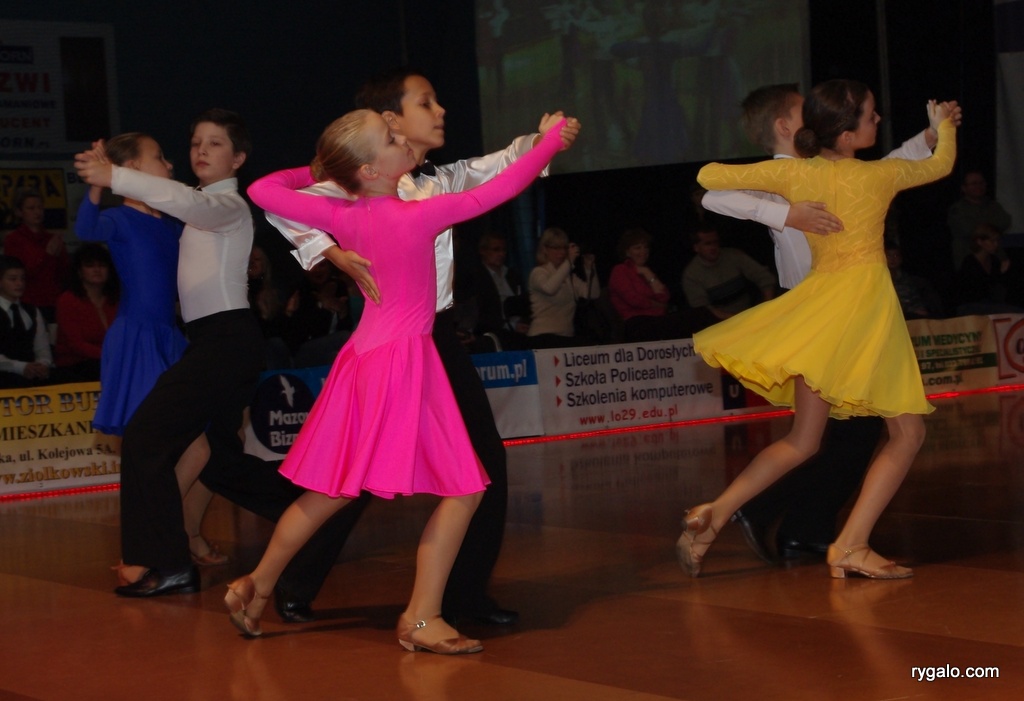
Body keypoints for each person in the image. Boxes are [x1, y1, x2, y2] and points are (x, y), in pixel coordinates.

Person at [231, 110, 568, 652]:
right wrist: (549, 142)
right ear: (370, 169)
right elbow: (505, 187)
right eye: (389, 139)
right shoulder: (416, 217)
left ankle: (256, 584)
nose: (401, 139)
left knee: (330, 491)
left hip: (361, 360)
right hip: (404, 361)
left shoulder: (341, 214)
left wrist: (321, 169)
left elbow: (262, 188)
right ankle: (421, 617)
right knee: (465, 489)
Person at [679, 81, 957, 581]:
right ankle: (848, 544)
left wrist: (930, 135)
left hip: (816, 317)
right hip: (855, 318)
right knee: (902, 432)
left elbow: (708, 175)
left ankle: (715, 515)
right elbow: (932, 168)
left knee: (806, 441)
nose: (876, 121)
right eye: (870, 115)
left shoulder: (800, 173)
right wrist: (945, 130)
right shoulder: (841, 176)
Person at [74, 109, 270, 596]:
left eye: (212, 143)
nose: (175, 162)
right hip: (140, 338)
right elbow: (87, 229)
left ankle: (171, 541)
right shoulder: (123, 219)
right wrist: (99, 184)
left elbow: (197, 222)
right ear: (132, 170)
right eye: (162, 156)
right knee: (158, 443)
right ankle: (159, 548)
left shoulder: (180, 218)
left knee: (199, 447)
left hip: (178, 337)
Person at [608, 227, 694, 341]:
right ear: (627, 252)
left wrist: (648, 274)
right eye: (637, 248)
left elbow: (664, 297)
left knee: (693, 318)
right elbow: (634, 300)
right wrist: (657, 305)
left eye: (645, 247)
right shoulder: (620, 270)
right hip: (636, 323)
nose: (643, 251)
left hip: (658, 320)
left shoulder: (646, 271)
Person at [52, 243, 119, 383]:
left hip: (110, 361)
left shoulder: (116, 300)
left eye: (102, 265)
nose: (97, 270)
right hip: (75, 364)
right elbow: (75, 344)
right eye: (90, 265)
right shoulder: (68, 300)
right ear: (79, 271)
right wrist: (111, 356)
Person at [3, 188, 71, 323]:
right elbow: (19, 274)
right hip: (27, 302)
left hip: (54, 302)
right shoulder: (14, 240)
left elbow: (64, 273)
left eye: (40, 208)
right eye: (31, 208)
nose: (37, 212)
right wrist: (47, 255)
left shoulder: (51, 239)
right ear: (19, 212)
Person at [681, 225, 776, 321]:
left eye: (715, 242)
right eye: (708, 244)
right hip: (719, 323)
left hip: (749, 313)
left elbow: (764, 277)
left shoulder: (734, 256)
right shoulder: (691, 275)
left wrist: (766, 307)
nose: (713, 247)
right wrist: (736, 319)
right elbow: (703, 308)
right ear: (696, 247)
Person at [526, 227, 600, 348]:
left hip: (566, 336)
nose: (561, 253)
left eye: (564, 248)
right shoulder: (538, 273)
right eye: (556, 248)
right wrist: (569, 263)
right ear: (545, 249)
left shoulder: (568, 276)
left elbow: (593, 294)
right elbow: (550, 289)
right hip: (543, 337)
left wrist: (589, 268)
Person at [459, 230, 530, 351]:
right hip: (490, 333)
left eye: (504, 250)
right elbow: (479, 312)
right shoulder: (476, 277)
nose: (501, 254)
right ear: (483, 251)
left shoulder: (512, 275)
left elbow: (523, 303)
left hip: (518, 332)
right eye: (496, 250)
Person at [0, 255, 53, 388]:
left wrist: (43, 364)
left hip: (31, 374)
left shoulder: (32, 311)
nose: (19, 284)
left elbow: (42, 348)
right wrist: (20, 367)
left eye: (22, 279)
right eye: (13, 279)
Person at [947, 170, 1012, 269]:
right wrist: (990, 227)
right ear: (964, 188)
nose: (979, 186)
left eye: (981, 183)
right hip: (968, 256)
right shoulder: (958, 209)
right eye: (974, 183)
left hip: (996, 256)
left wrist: (983, 226)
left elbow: (1006, 222)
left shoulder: (993, 205)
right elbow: (970, 230)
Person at [955, 223, 1024, 315]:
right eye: (992, 241)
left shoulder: (993, 260)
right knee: (1016, 312)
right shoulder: (970, 262)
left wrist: (1003, 273)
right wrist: (1000, 274)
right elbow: (978, 292)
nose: (996, 244)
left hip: (988, 304)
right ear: (980, 242)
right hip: (970, 306)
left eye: (997, 241)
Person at [885, 239, 944, 319]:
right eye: (889, 256)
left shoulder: (908, 279)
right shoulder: (882, 279)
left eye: (896, 256)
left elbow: (915, 298)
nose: (892, 259)